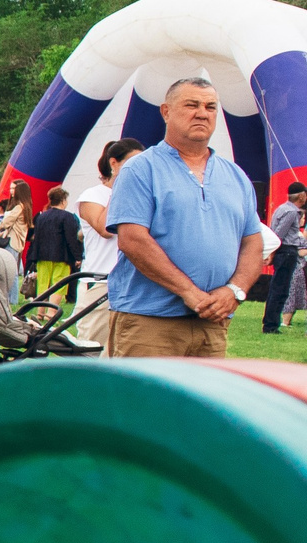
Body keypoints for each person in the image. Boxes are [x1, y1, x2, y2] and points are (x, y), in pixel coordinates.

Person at [104, 76, 264, 358]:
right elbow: (132, 240)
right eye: (192, 105)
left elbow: (252, 242)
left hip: (211, 323)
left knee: (204, 390)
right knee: (147, 390)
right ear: (166, 112)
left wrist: (235, 291)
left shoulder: (235, 176)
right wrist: (189, 292)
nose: (202, 113)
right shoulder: (141, 170)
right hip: (150, 322)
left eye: (210, 107)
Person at [73, 138, 140, 347]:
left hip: (134, 286)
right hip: (101, 283)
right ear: (114, 164)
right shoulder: (93, 195)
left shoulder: (142, 196)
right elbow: (105, 229)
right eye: (132, 163)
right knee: (93, 349)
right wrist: (121, 186)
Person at [27, 186, 83, 300]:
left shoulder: (41, 216)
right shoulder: (68, 217)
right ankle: (52, 309)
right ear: (63, 201)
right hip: (62, 256)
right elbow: (71, 239)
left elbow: (37, 237)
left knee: (42, 284)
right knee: (59, 284)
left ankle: (40, 309)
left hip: (42, 256)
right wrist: (78, 256)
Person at [266, 183, 305, 333]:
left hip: (282, 252)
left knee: (277, 288)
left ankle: (270, 322)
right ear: (301, 196)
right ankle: (271, 325)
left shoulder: (281, 208)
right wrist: (272, 252)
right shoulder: (291, 212)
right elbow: (279, 234)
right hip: (287, 252)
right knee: (280, 289)